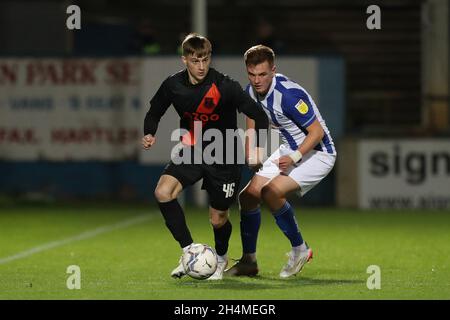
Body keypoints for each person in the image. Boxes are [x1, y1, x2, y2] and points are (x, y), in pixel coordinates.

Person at [142, 34, 268, 280]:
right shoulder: (172, 85)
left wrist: (258, 148)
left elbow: (259, 115)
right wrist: (149, 132)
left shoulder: (225, 86)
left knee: (217, 218)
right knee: (162, 192)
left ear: (210, 59)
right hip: (192, 150)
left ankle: (220, 260)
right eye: (195, 60)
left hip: (224, 155)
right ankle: (190, 252)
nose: (201, 67)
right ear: (184, 60)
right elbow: (154, 112)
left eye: (205, 60)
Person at [225, 45, 336, 278]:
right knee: (247, 196)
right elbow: (252, 121)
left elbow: (316, 133)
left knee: (271, 192)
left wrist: (294, 157)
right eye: (252, 74)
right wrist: (251, 151)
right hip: (290, 149)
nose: (257, 80)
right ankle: (249, 262)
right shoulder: (251, 91)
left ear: (273, 70)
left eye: (263, 74)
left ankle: (300, 249)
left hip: (318, 153)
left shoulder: (288, 95)